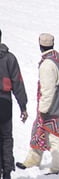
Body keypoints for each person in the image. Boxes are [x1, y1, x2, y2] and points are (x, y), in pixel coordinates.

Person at [16, 33, 59, 175]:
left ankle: (58, 166)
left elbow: (48, 88)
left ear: (40, 45)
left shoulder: (47, 64)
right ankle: (32, 159)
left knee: (53, 133)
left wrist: (43, 108)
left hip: (52, 103)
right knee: (39, 130)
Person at [0, 29, 28, 179]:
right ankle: (7, 171)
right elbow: (18, 83)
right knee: (6, 137)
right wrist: (23, 106)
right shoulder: (10, 58)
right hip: (5, 102)